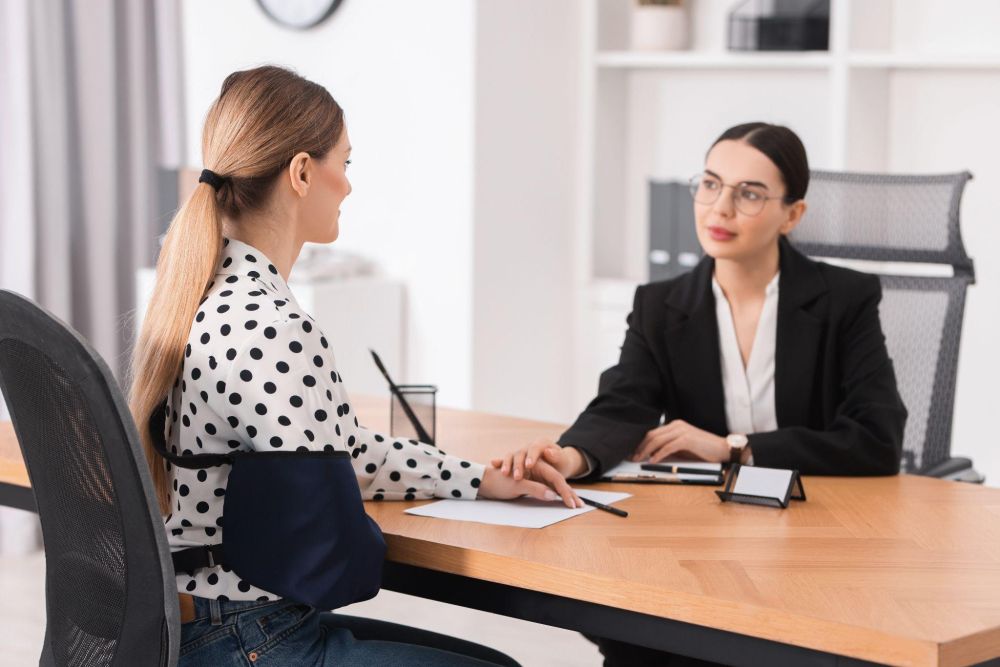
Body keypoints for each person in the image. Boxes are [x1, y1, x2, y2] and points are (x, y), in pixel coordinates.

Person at [128, 65, 576, 667]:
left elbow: (333, 450)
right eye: (345, 161)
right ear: (303, 173)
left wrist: (477, 479)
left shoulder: (207, 295)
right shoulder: (273, 325)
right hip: (249, 638)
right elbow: (337, 555)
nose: (348, 185)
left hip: (204, 622)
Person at [492, 122, 907, 666]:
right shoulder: (661, 305)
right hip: (707, 544)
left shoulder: (845, 299)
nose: (721, 208)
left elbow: (876, 439)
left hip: (823, 547)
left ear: (793, 215)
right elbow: (624, 402)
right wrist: (569, 457)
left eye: (749, 194)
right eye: (709, 185)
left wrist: (734, 448)